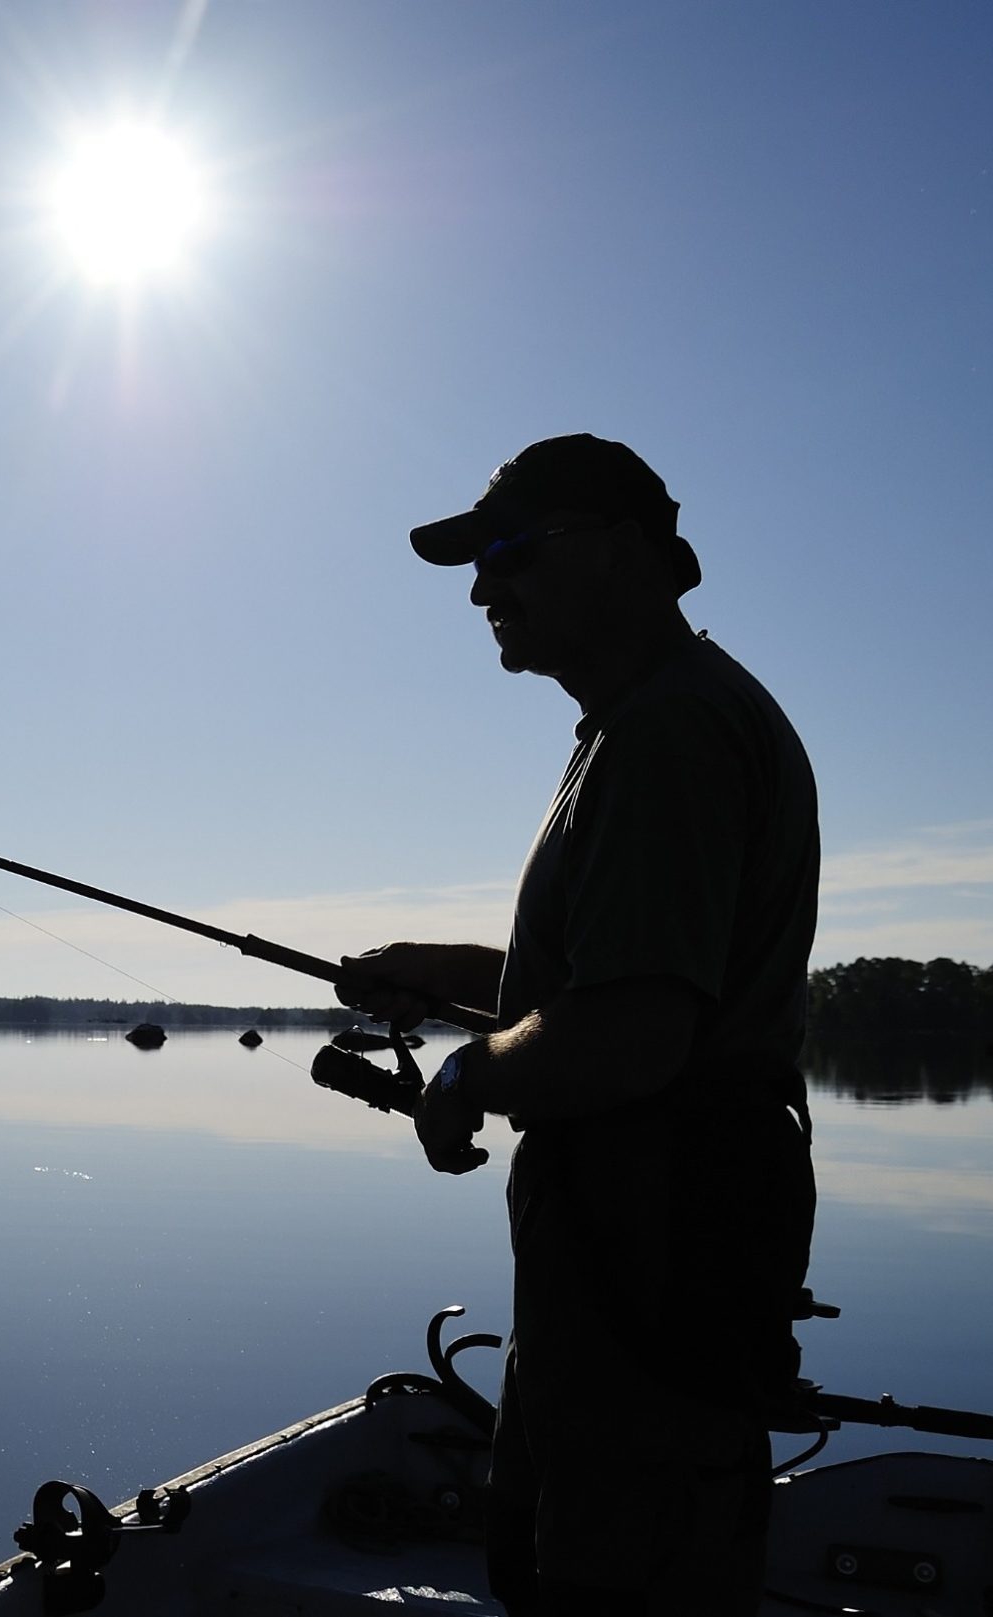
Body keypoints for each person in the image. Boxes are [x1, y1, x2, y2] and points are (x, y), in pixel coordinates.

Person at [339, 434, 819, 1616]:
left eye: (509, 552)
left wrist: (465, 1071)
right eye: (475, 562)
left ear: (624, 555)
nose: (481, 586)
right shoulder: (650, 722)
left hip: (649, 1274)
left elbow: (631, 1035)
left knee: (607, 1584)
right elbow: (625, 976)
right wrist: (451, 973)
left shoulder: (665, 735)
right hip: (642, 1267)